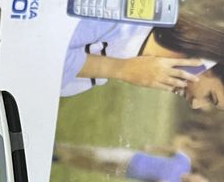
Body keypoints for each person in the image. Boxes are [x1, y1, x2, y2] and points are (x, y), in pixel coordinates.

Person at [62, 12, 224, 110]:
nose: (195, 104)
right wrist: (120, 69)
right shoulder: (126, 21)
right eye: (210, 97)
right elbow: (50, 48)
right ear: (207, 62)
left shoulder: (105, 72)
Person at [54, 143, 212, 182]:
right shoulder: (185, 162)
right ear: (199, 175)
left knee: (92, 166)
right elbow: (173, 149)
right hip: (133, 157)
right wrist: (152, 147)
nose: (197, 181)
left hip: (126, 172)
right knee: (97, 154)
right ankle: (60, 147)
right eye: (201, 179)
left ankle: (60, 160)